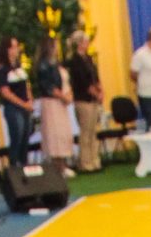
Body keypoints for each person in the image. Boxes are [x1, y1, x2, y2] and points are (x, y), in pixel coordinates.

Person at [34, 39, 75, 173]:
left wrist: (68, 94)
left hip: (61, 103)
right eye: (56, 46)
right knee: (54, 134)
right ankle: (57, 166)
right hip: (52, 103)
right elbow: (48, 86)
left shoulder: (56, 64)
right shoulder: (43, 65)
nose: (58, 48)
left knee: (63, 133)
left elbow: (65, 82)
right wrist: (63, 96)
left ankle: (63, 164)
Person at [66, 32, 104, 174]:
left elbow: (95, 76)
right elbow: (82, 81)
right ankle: (85, 162)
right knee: (86, 131)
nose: (88, 44)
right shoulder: (75, 61)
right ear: (79, 43)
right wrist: (95, 93)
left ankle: (95, 160)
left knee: (93, 131)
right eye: (85, 42)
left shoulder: (88, 58)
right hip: (83, 99)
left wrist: (101, 91)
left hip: (93, 99)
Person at [0, 38, 36, 164]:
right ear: (7, 50)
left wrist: (30, 100)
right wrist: (23, 104)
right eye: (14, 47)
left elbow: (26, 86)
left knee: (25, 137)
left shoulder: (19, 67)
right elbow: (5, 92)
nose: (17, 50)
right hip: (13, 108)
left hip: (25, 107)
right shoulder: (2, 69)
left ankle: (24, 163)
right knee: (17, 136)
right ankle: (14, 165)